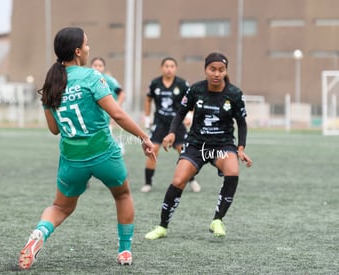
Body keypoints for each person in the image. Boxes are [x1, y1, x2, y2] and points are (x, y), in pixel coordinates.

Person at [18, 27, 156, 269]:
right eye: (87, 44)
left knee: (60, 207)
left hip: (72, 159)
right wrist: (144, 137)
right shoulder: (91, 76)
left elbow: (54, 129)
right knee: (122, 195)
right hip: (103, 153)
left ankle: (39, 233)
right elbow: (117, 114)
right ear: (78, 51)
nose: (90, 48)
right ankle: (124, 251)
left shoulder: (50, 84)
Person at [145, 52, 253, 240]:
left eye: (221, 70)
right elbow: (180, 113)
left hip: (223, 145)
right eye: (213, 69)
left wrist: (241, 148)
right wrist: (171, 132)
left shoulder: (234, 94)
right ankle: (162, 226)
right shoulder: (196, 90)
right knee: (178, 181)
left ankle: (217, 219)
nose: (217, 74)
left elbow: (241, 123)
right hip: (196, 144)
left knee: (233, 171)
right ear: (205, 70)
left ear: (225, 71)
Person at [141, 57, 200, 193]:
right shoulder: (155, 83)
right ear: (162, 68)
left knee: (184, 151)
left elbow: (191, 101)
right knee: (152, 150)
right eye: (166, 66)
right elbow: (148, 99)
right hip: (159, 122)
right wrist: (147, 117)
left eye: (172, 66)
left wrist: (189, 115)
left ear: (176, 68)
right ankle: (148, 183)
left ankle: (192, 180)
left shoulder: (182, 84)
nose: (169, 69)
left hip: (177, 124)